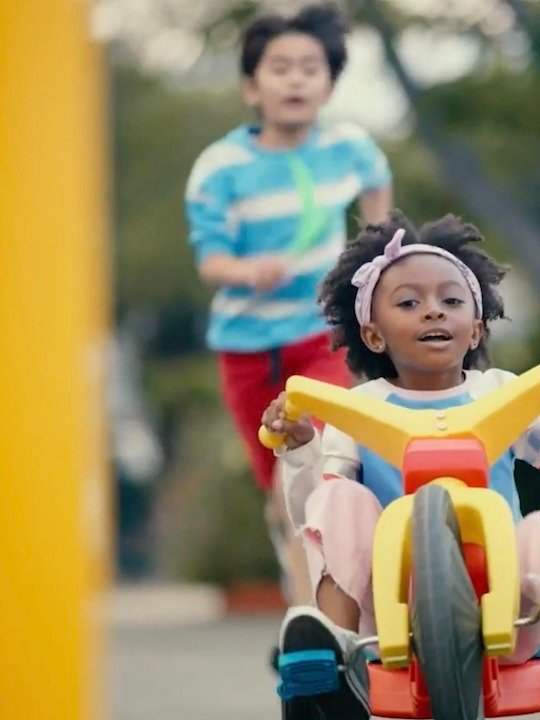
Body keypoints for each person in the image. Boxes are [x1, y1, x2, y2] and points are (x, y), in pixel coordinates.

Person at [262, 211, 540, 720]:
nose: (432, 313)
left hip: (510, 611)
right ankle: (335, 650)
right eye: (409, 303)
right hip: (392, 615)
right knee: (340, 501)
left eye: (451, 301)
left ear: (477, 327)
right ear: (373, 335)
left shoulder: (505, 394)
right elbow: (315, 515)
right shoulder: (356, 410)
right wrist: (301, 449)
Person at [184, 3, 392, 611]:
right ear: (252, 86)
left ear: (328, 84)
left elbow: (376, 178)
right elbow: (209, 262)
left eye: (311, 67)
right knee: (279, 493)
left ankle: (316, 624)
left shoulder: (348, 146)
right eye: (280, 67)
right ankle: (299, 589)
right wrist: (247, 271)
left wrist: (374, 243)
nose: (297, 79)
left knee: (307, 468)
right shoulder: (221, 168)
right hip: (245, 351)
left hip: (317, 339)